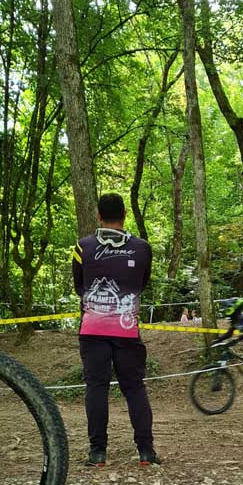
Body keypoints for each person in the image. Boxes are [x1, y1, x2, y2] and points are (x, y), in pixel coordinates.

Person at [72, 192, 161, 467]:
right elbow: (142, 283)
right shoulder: (142, 248)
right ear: (125, 214)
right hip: (126, 328)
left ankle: (98, 453)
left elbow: (79, 286)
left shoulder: (82, 247)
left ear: (98, 215)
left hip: (92, 329)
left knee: (96, 388)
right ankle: (146, 452)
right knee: (134, 387)